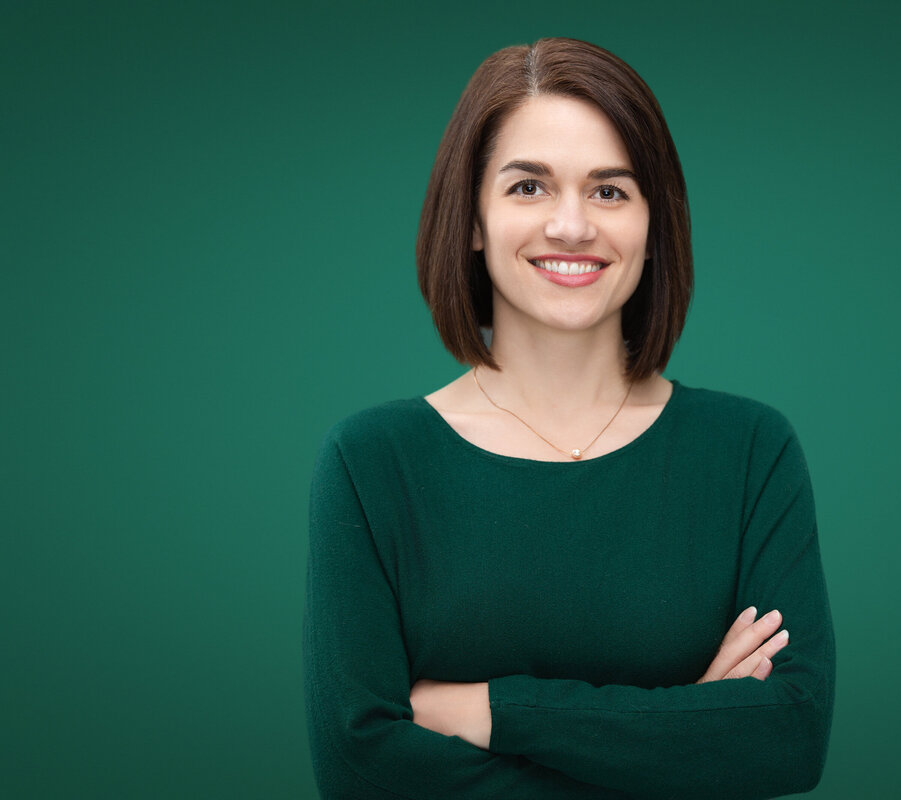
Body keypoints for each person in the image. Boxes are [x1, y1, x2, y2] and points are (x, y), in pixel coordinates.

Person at [303, 37, 835, 799]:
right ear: (474, 218)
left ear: (654, 226)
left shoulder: (749, 451)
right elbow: (361, 771)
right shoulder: (371, 463)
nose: (572, 226)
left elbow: (788, 737)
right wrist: (684, 730)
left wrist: (490, 709)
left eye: (610, 191)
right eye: (529, 187)